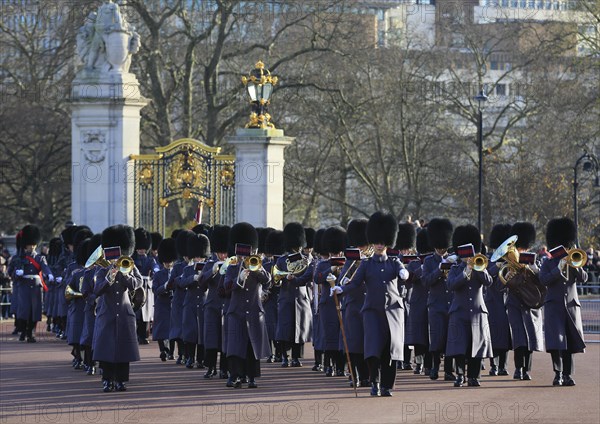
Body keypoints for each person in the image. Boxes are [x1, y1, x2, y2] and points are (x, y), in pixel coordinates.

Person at [332, 211, 410, 397]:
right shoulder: (366, 264)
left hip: (392, 312)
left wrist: (404, 274)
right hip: (372, 312)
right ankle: (374, 382)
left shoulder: (394, 262)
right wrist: (341, 290)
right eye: (377, 241)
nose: (379, 244)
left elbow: (402, 271)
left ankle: (386, 386)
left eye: (382, 242)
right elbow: (355, 282)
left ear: (387, 242)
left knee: (390, 352)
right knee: (374, 351)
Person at [93, 225, 143, 392]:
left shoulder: (129, 265)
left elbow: (138, 282)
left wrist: (124, 274)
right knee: (106, 347)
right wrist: (109, 278)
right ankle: (107, 379)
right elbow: (97, 290)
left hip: (123, 312)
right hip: (107, 312)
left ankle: (121, 380)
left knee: (123, 348)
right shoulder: (102, 270)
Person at [539, 217, 587, 387]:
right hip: (554, 306)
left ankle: (567, 375)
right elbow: (544, 280)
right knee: (556, 342)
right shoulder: (548, 263)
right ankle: (557, 374)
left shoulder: (574, 261)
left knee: (570, 341)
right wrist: (558, 268)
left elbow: (583, 278)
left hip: (571, 306)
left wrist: (575, 265)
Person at [223, 222, 272, 388]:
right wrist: (240, 279)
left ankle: (251, 376)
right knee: (235, 346)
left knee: (252, 346)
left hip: (253, 311)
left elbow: (268, 280)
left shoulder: (257, 264)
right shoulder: (232, 267)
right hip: (236, 312)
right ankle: (235, 375)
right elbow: (226, 287)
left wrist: (256, 268)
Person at [445, 225, 493, 387]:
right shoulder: (455, 269)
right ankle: (460, 375)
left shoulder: (480, 266)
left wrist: (478, 268)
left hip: (477, 311)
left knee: (477, 345)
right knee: (459, 346)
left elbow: (489, 282)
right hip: (459, 312)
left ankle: (474, 376)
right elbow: (451, 285)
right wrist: (465, 272)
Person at [507, 222, 544, 380]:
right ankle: (518, 369)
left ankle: (527, 370)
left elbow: (542, 281)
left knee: (530, 336)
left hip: (531, 303)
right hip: (515, 302)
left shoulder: (535, 260)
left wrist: (534, 269)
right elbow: (500, 285)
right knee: (519, 336)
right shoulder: (509, 261)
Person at [421, 218, 455, 381]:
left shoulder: (454, 260)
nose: (441, 249)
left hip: (451, 303)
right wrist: (440, 270)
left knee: (450, 338)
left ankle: (449, 370)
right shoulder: (428, 261)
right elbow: (426, 281)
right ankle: (434, 367)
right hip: (435, 304)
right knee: (436, 338)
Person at [275, 223, 313, 367]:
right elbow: (276, 279)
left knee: (299, 329)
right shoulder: (281, 260)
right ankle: (285, 356)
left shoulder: (307, 260)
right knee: (285, 329)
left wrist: (295, 278)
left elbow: (307, 277)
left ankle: (296, 357)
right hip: (286, 296)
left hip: (301, 298)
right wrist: (284, 277)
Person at [338, 219, 370, 386]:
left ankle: (368, 376)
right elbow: (342, 280)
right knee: (354, 343)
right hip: (353, 305)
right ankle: (355, 375)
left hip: (369, 305)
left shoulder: (372, 259)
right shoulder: (351, 259)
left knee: (369, 342)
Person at [8, 224, 53, 342]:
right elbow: (10, 272)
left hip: (36, 287)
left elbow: (45, 267)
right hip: (23, 286)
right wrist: (16, 274)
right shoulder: (17, 259)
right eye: (29, 246)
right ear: (25, 246)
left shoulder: (40, 258)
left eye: (33, 245)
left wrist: (50, 274)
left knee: (35, 311)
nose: (31, 248)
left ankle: (31, 332)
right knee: (24, 311)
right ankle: (23, 331)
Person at [315, 225, 347, 377]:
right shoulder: (323, 264)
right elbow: (317, 278)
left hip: (343, 302)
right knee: (329, 336)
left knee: (342, 335)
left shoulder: (347, 263)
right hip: (328, 304)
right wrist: (331, 270)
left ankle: (340, 366)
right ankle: (328, 365)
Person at [200, 225, 230, 378]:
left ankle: (225, 368)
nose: (223, 255)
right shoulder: (210, 264)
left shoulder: (231, 264)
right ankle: (211, 367)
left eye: (225, 252)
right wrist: (212, 271)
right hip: (212, 305)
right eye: (221, 252)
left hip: (226, 305)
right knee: (211, 339)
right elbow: (202, 283)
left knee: (225, 339)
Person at [484, 224, 512, 376]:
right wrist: (498, 266)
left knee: (505, 337)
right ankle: (493, 365)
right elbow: (486, 275)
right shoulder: (489, 259)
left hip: (507, 301)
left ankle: (503, 366)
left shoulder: (511, 259)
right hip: (493, 302)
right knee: (494, 335)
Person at [180, 232, 210, 369]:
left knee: (202, 334)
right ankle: (189, 357)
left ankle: (201, 359)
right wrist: (192, 278)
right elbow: (181, 284)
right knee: (190, 333)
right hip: (190, 304)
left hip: (203, 303)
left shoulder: (209, 268)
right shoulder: (187, 269)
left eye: (200, 256)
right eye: (196, 256)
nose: (198, 259)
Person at [405, 228, 432, 375]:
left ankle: (429, 364)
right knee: (419, 336)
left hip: (432, 300)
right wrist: (423, 268)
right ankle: (419, 362)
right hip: (418, 301)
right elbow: (409, 281)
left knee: (431, 334)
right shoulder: (414, 264)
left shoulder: (435, 261)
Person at [152, 238, 177, 362]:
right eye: (166, 262)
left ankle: (171, 352)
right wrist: (165, 287)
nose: (168, 264)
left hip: (173, 303)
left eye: (170, 261)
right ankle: (163, 350)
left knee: (172, 329)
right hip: (162, 304)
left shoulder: (177, 272)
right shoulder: (158, 275)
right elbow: (155, 290)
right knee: (161, 329)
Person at [132, 228, 158, 345]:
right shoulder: (131, 260)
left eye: (143, 248)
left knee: (145, 313)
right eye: (140, 248)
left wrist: (156, 272)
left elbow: (156, 268)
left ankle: (143, 335)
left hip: (146, 287)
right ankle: (135, 334)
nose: (142, 250)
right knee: (135, 313)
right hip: (134, 287)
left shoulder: (150, 260)